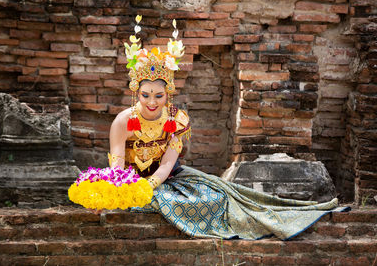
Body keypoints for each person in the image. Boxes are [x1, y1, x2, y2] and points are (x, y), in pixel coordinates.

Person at [104, 16, 349, 240]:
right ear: (137, 93)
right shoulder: (123, 122)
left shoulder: (176, 120)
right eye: (146, 95)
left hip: (166, 180)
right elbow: (116, 165)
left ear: (167, 95)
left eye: (159, 95)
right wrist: (124, 187)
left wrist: (150, 185)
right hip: (131, 182)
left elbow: (168, 164)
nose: (152, 102)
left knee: (220, 197)